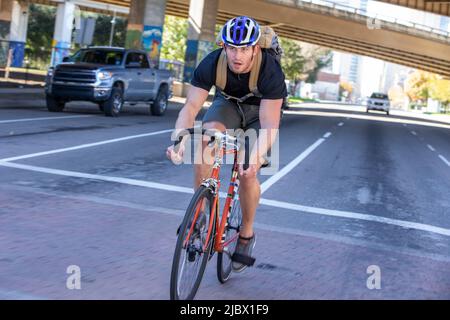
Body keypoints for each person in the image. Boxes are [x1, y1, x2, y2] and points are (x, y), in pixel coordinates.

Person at [166, 16, 287, 272]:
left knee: (247, 171)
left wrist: (254, 158)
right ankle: (200, 214)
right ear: (224, 46)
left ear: (255, 48)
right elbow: (190, 107)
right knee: (205, 141)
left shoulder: (271, 71)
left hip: (259, 114)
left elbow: (269, 126)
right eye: (232, 48)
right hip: (228, 105)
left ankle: (245, 234)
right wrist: (178, 140)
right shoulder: (212, 62)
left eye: (244, 48)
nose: (237, 55)